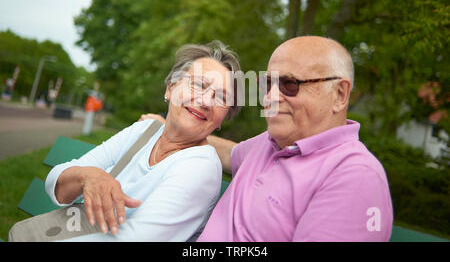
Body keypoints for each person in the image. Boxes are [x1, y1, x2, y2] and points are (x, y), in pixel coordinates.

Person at [141, 36, 393, 241]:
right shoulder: (272, 143)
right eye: (267, 84)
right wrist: (170, 126)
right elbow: (231, 153)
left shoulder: (355, 177)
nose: (270, 98)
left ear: (339, 94)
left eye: (290, 84)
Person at [44, 40, 242, 241]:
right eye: (199, 85)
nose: (206, 102)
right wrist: (88, 176)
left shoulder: (200, 168)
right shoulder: (145, 131)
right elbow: (56, 183)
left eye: (221, 98)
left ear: (223, 119)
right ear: (170, 88)